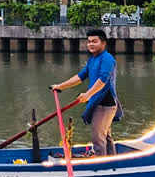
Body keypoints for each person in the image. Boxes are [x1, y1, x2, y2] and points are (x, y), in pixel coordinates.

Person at [48, 28, 123, 157]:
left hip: (105, 104)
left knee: (98, 139)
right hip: (97, 102)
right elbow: (79, 77)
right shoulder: (92, 60)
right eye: (89, 42)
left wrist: (88, 94)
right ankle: (111, 163)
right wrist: (60, 86)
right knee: (106, 137)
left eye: (95, 41)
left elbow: (103, 80)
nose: (91, 44)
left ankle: (101, 169)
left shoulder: (107, 59)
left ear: (103, 43)